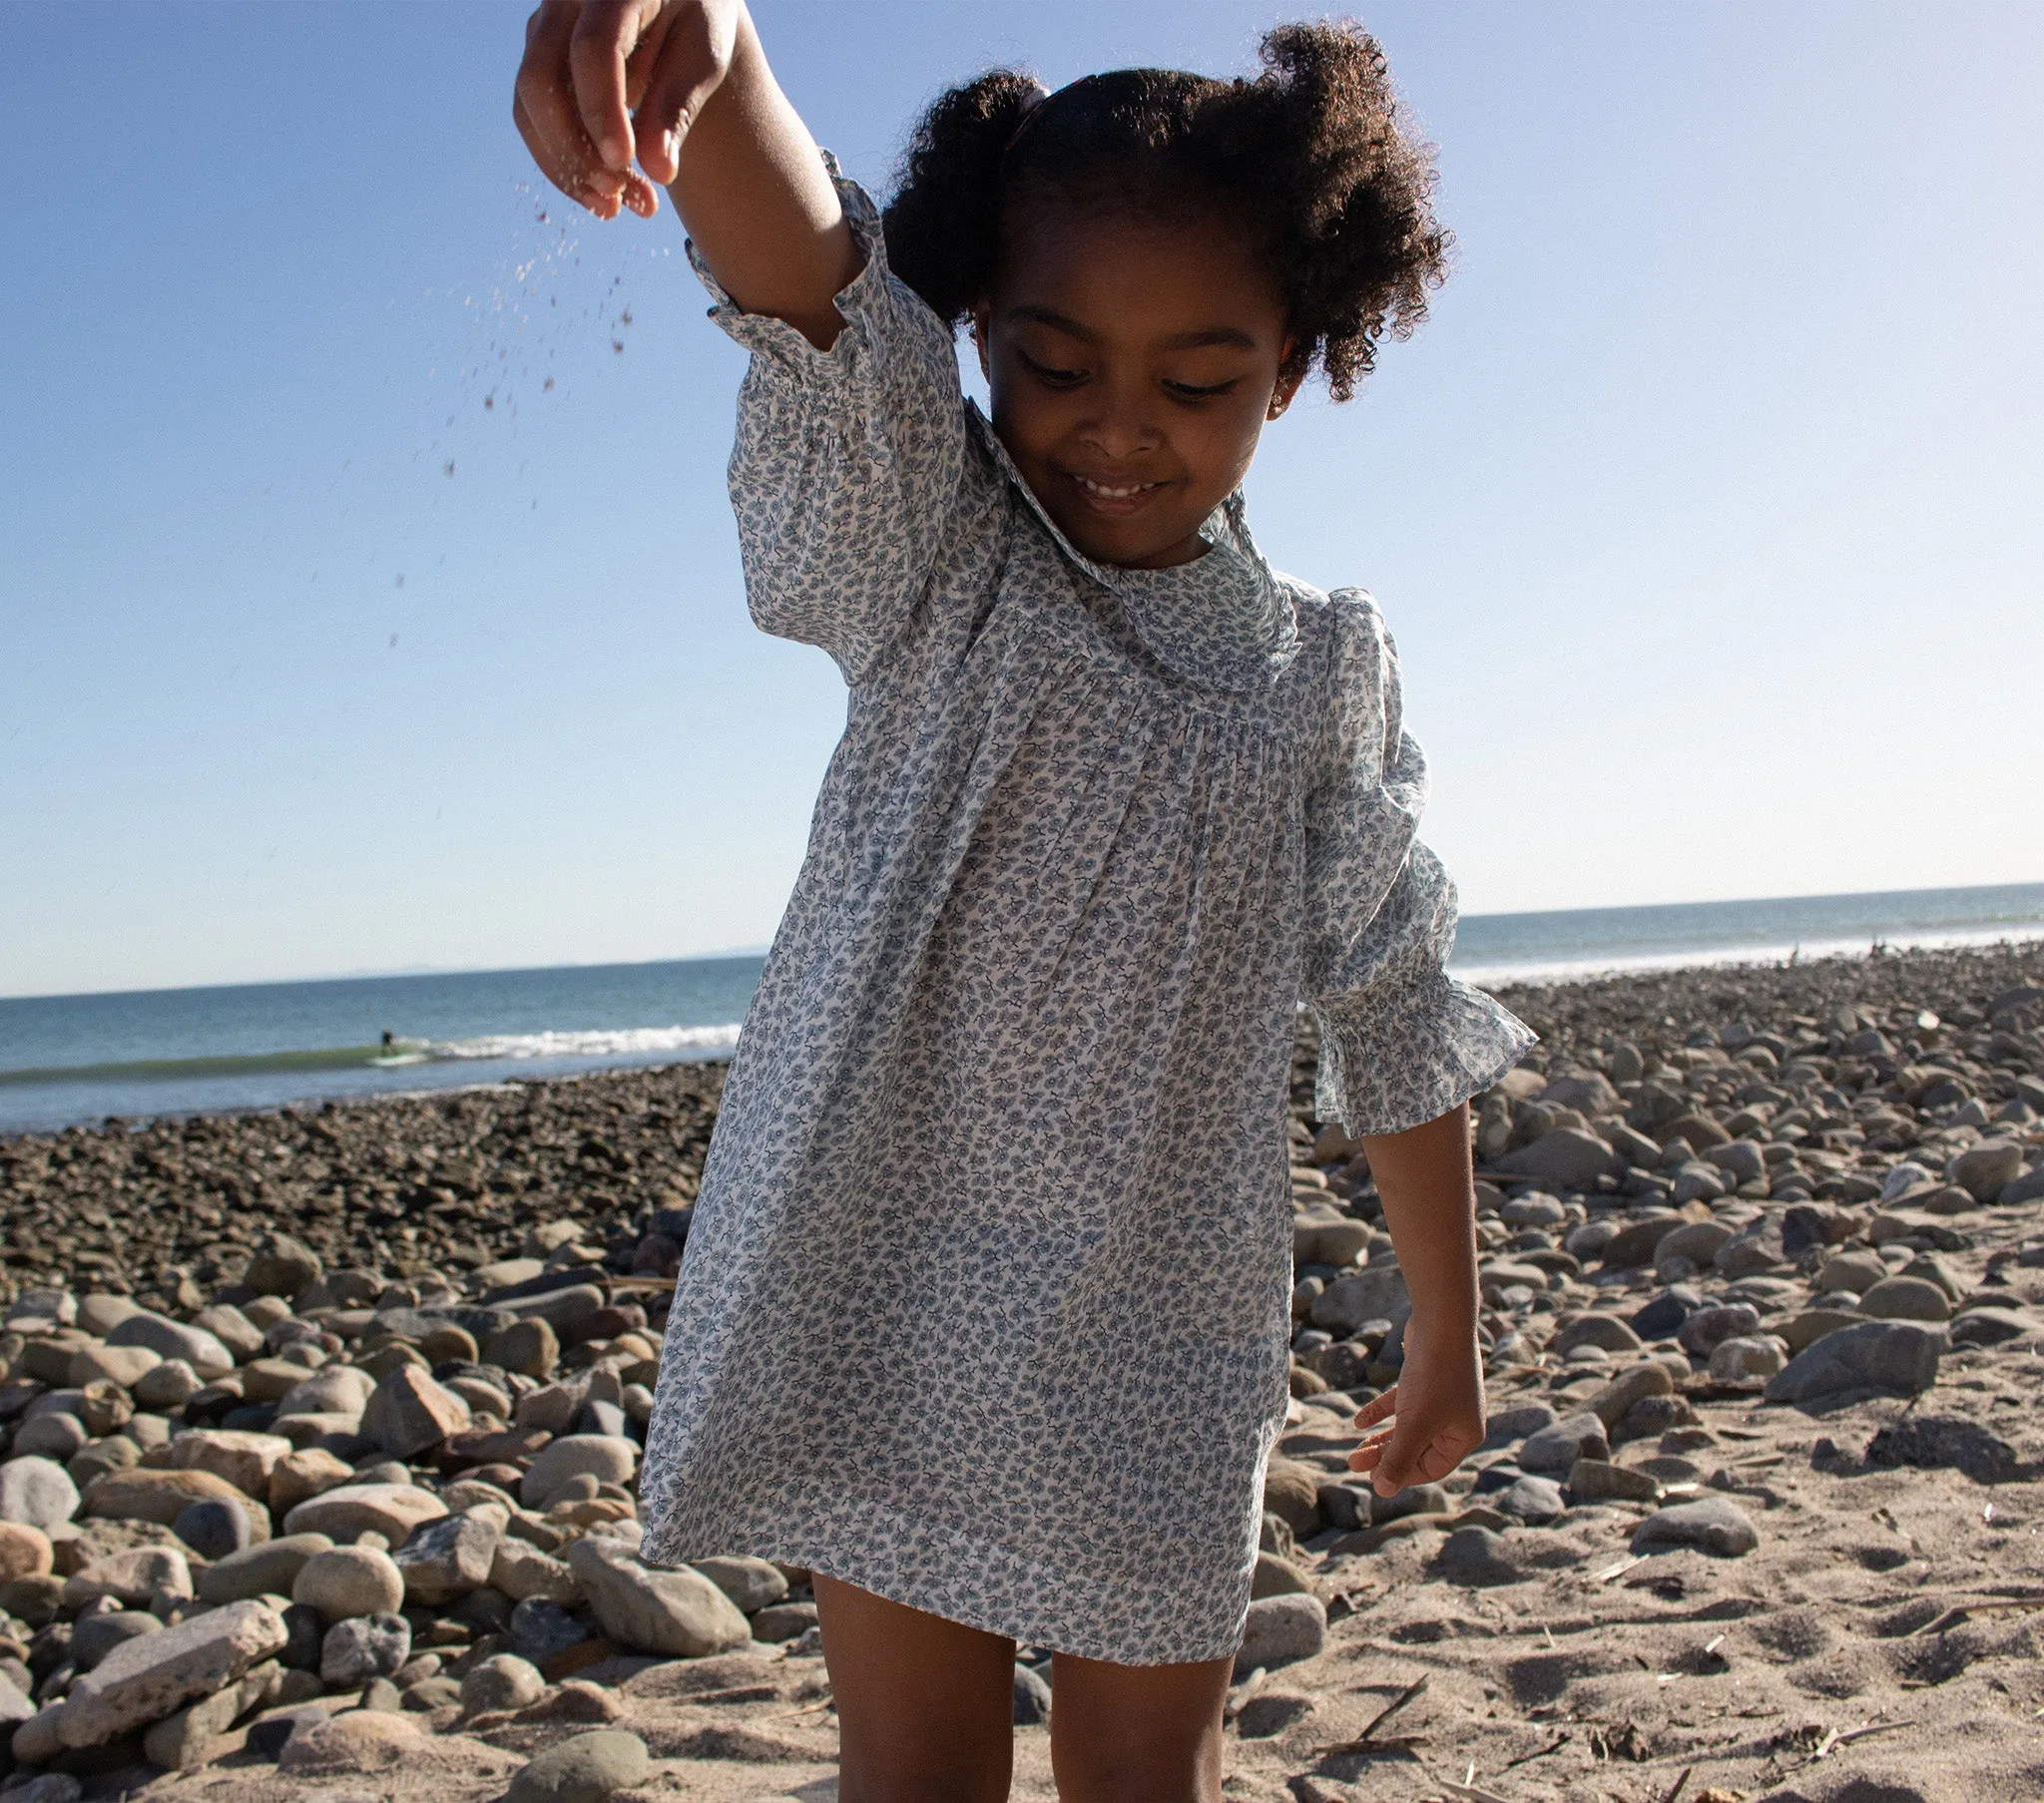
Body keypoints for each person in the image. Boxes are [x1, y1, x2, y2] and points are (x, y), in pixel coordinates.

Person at [513, 6, 1535, 1797]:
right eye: (1055, 364)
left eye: (1197, 380)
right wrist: (722, 44)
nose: (1119, 428)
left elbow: (1392, 991)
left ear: (1291, 363)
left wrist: (1448, 1325)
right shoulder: (945, 553)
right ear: (979, 331)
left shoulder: (1319, 666)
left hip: (1165, 1331)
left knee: (1154, 1778)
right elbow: (819, 295)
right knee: (918, 1777)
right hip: (883, 1301)